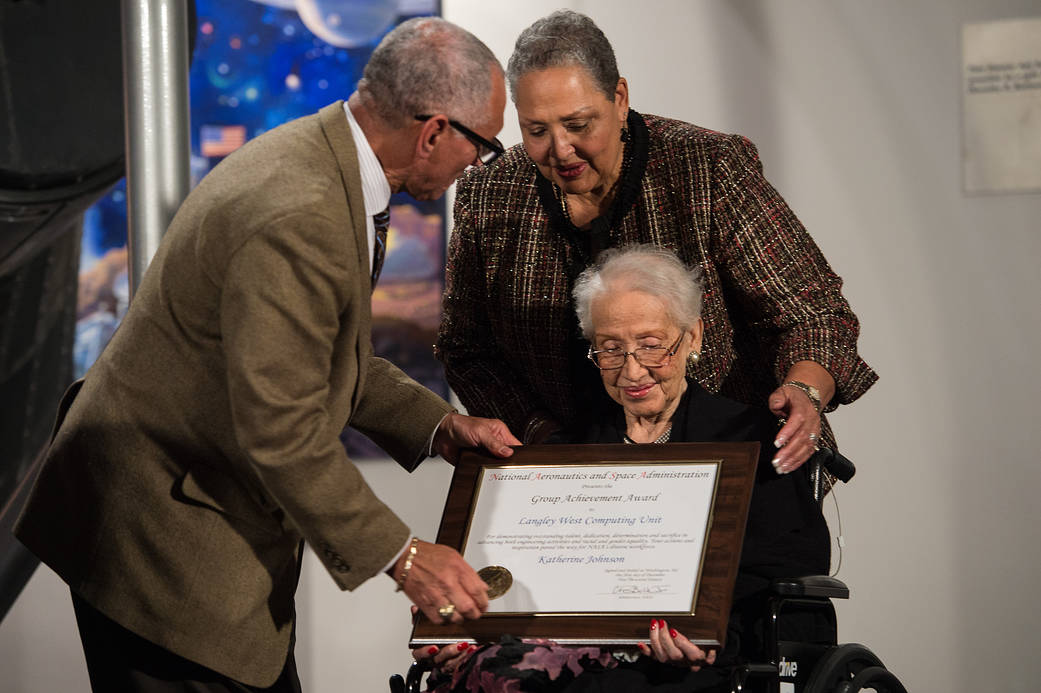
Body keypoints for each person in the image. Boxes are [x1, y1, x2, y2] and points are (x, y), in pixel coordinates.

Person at [15, 17, 518, 693]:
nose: (475, 166)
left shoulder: (326, 161)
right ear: (433, 132)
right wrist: (405, 557)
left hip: (183, 521)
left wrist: (436, 425)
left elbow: (320, 357)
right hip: (159, 549)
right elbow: (282, 429)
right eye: (482, 146)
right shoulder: (301, 210)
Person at [436, 9, 877, 478]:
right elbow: (466, 347)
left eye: (579, 124)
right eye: (537, 131)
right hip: (569, 478)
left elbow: (815, 312)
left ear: (620, 98)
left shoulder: (707, 168)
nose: (560, 149)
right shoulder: (491, 194)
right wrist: (541, 435)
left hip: (734, 462)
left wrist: (805, 392)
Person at [418, 245, 831, 693]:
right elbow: (519, 566)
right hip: (574, 653)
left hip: (701, 661)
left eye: (652, 346)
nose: (632, 371)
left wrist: (709, 633)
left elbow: (783, 569)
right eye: (611, 349)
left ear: (692, 337)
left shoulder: (749, 441)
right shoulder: (564, 452)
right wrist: (454, 621)